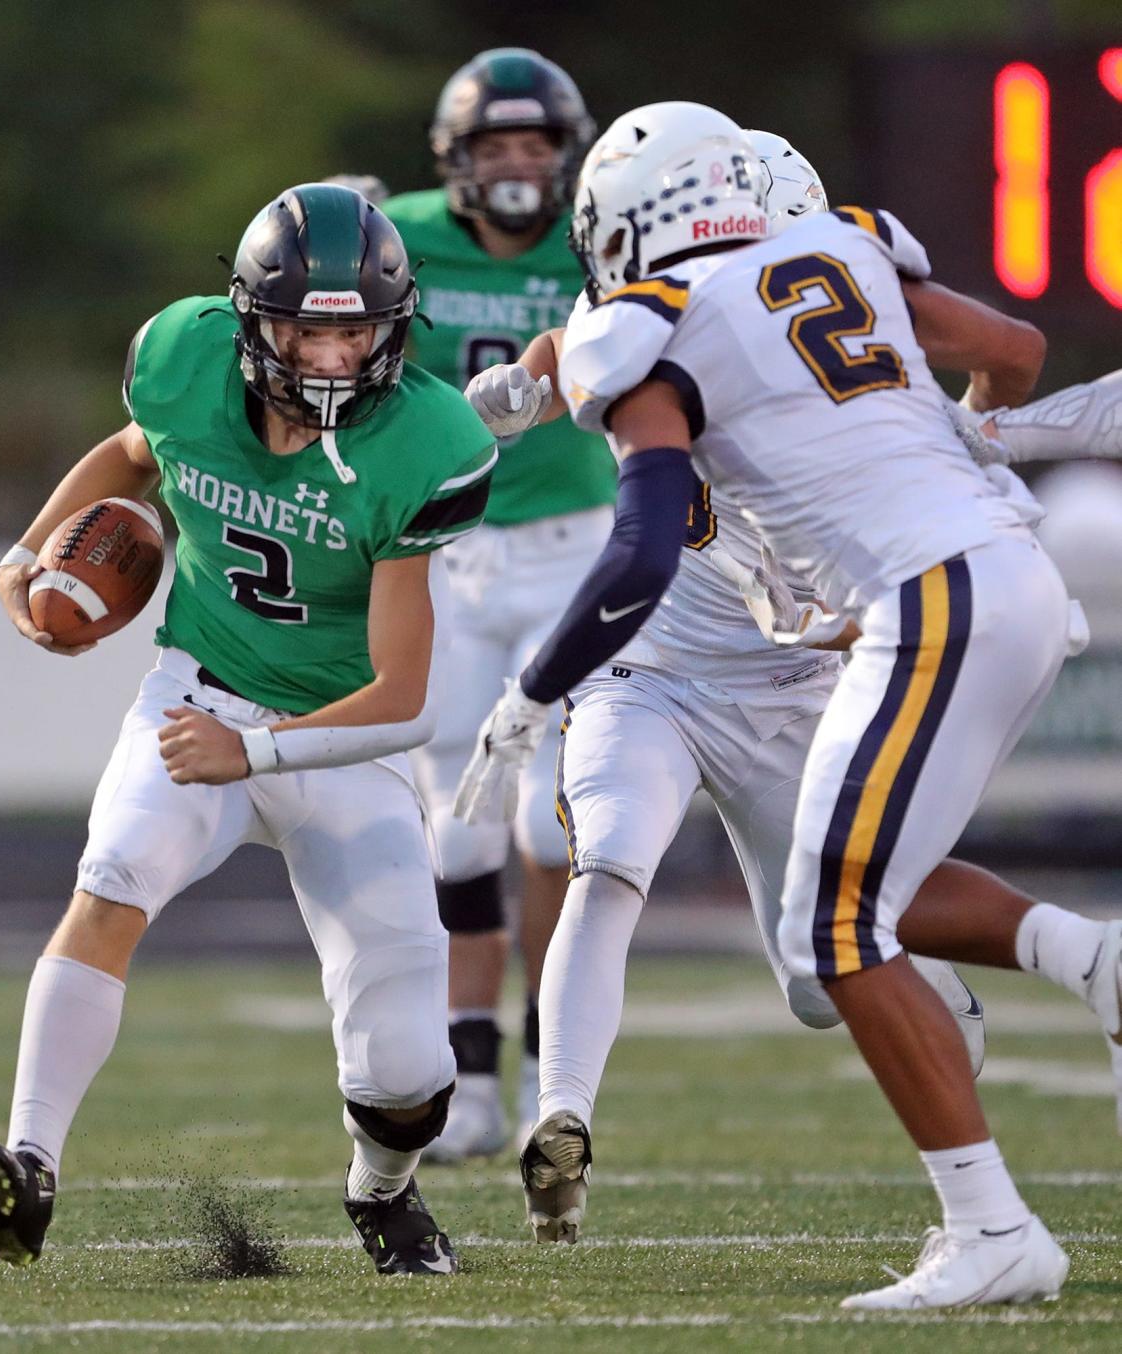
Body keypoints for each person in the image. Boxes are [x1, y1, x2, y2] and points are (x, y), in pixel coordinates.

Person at [456, 103, 1121, 1309]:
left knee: (828, 927)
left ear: (621, 226)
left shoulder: (644, 321)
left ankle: (992, 1226)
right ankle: (1085, 991)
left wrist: (534, 684)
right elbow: (1017, 351)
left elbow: (646, 541)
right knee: (852, 903)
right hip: (999, 577)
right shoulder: (849, 243)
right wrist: (943, 423)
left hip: (921, 600)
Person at [0, 183, 497, 1277]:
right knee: (112, 879)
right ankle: (30, 1161)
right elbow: (132, 453)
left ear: (391, 326)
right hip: (198, 694)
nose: (333, 356)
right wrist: (29, 554)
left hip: (343, 738)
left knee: (404, 1067)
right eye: (307, 327)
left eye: (354, 330)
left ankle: (382, 1193)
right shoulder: (182, 359)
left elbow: (403, 693)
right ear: (251, 321)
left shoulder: (426, 438)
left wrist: (256, 750)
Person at [382, 48, 617, 1160]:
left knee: (547, 825)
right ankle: (469, 1080)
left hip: (576, 552)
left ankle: (549, 1082)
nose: (519, 165)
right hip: (453, 555)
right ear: (457, 160)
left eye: (535, 145)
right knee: (461, 830)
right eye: (497, 146)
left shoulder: (600, 241)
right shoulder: (395, 231)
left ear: (566, 158)